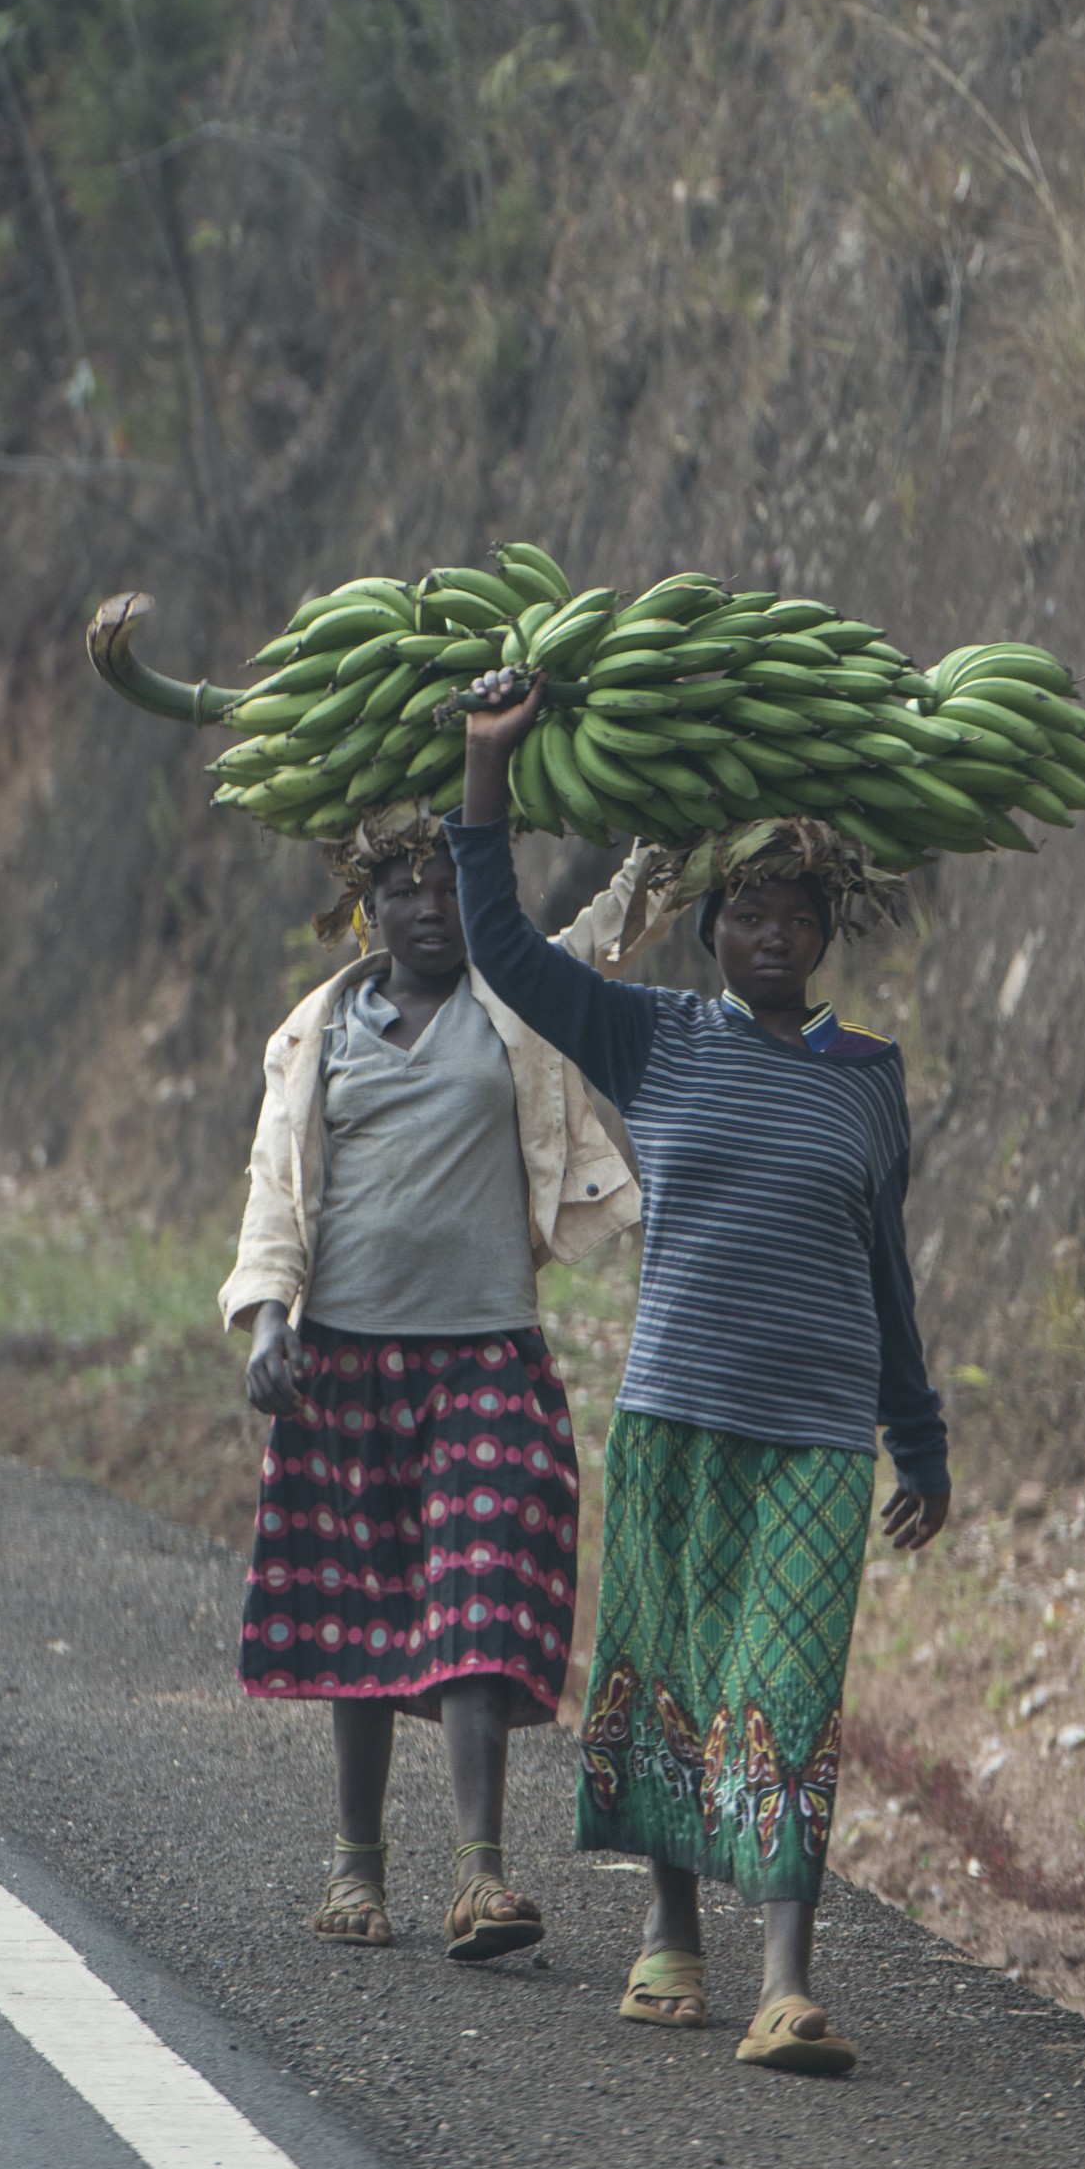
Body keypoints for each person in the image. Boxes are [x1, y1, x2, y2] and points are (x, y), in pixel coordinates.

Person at [446, 672, 950, 2076]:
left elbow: (885, 1274)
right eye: (747, 912)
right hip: (674, 1418)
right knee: (667, 1678)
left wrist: (924, 1440)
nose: (770, 933)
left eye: (796, 915)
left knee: (786, 1694)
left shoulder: (869, 1079)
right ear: (713, 927)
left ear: (825, 934)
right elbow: (499, 948)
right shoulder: (652, 1035)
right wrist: (486, 771)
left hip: (813, 1441)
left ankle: (786, 1983)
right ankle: (672, 1939)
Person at [221, 813, 672, 1960]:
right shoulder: (314, 1032)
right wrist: (268, 1323)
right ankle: (355, 1870)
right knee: (358, 1621)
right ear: (363, 906)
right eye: (403, 890)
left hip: (483, 1357)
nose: (430, 908)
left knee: (478, 1601)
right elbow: (277, 1192)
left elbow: (609, 933)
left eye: (446, 887)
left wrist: (658, 844)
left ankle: (481, 1878)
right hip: (344, 1371)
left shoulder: (515, 1001)